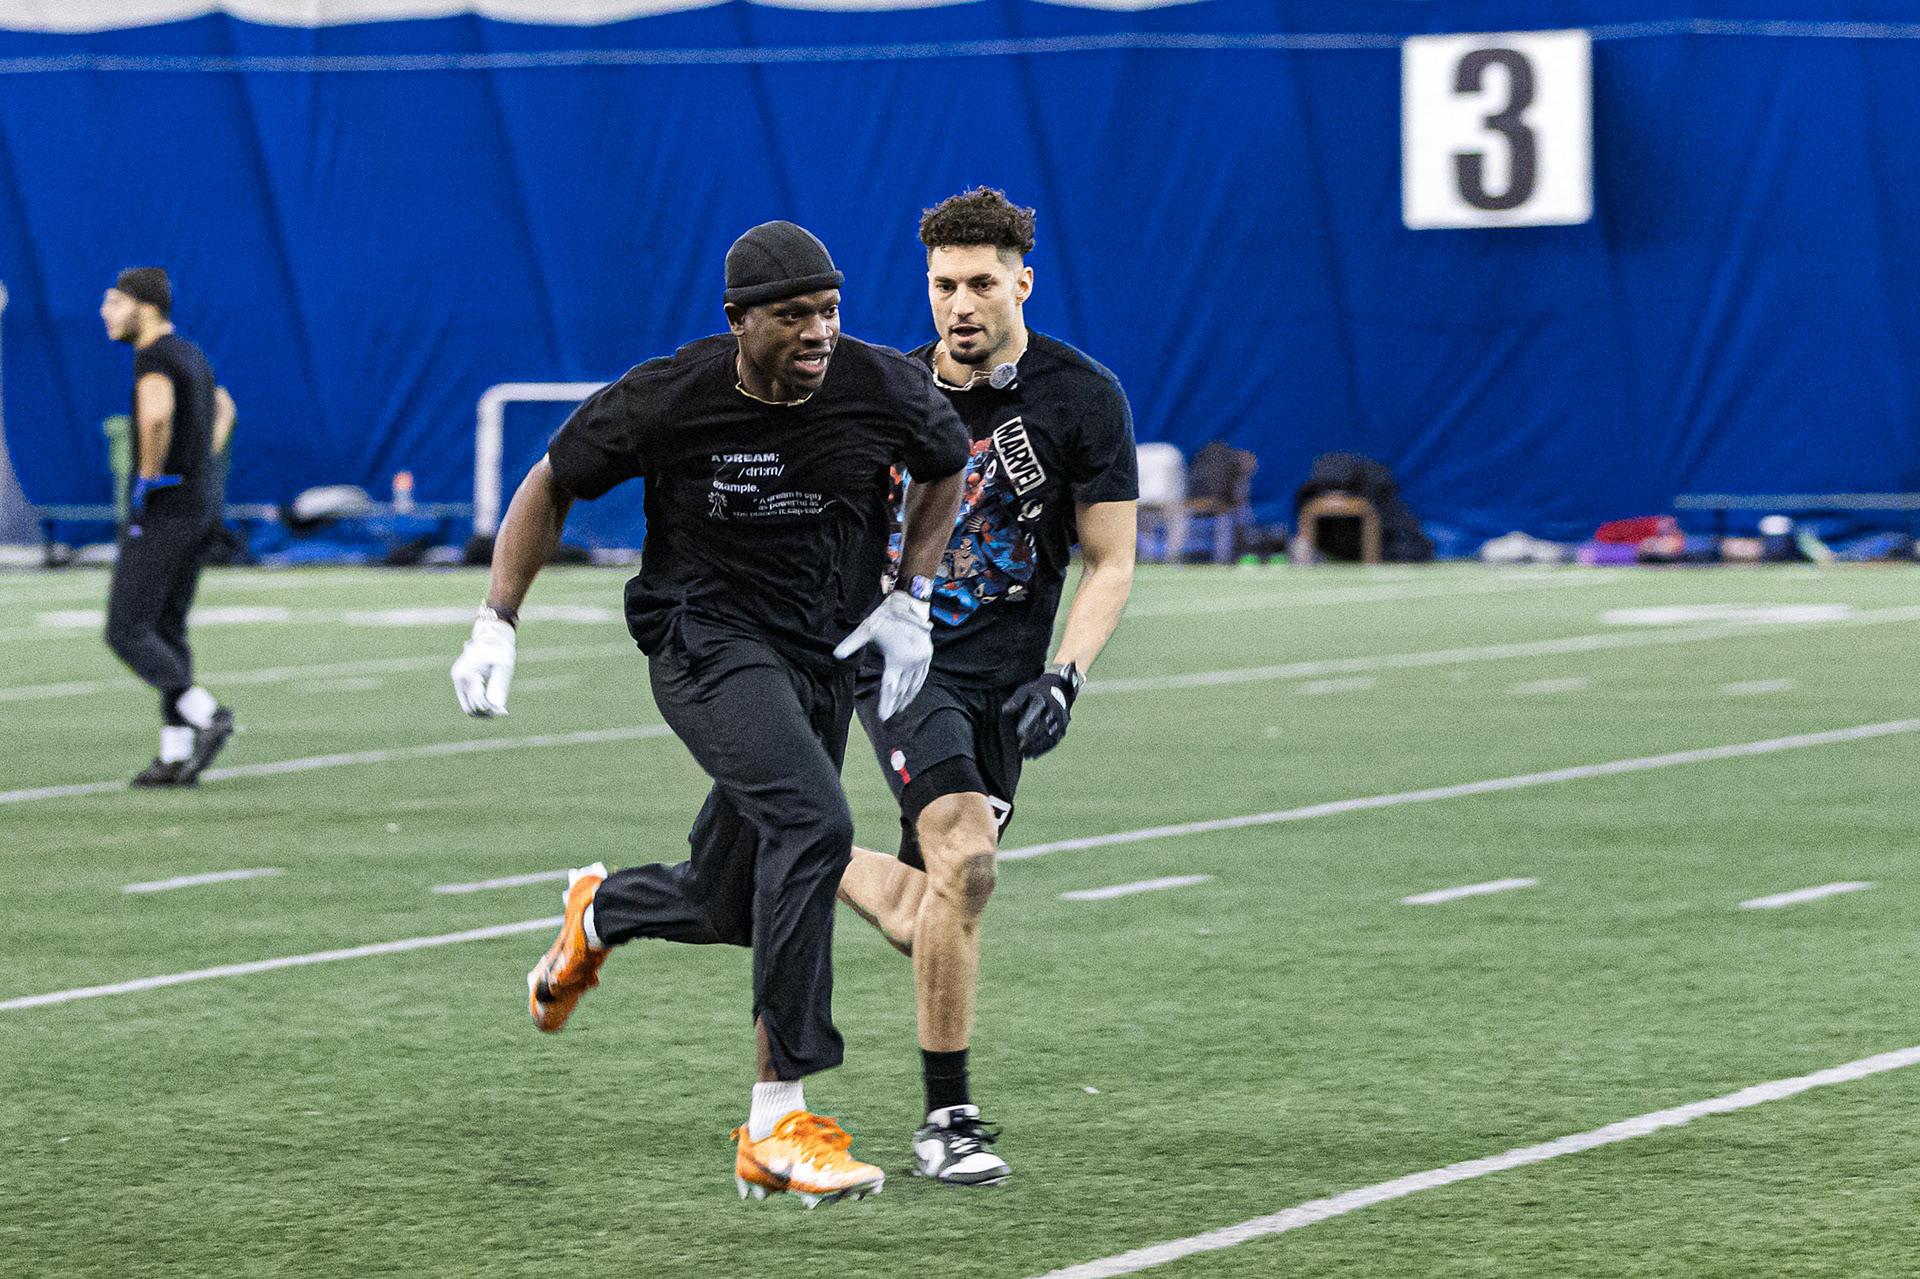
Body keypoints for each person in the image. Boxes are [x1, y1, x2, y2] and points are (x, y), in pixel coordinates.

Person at [449, 222, 968, 1207]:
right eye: (793, 315)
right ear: (739, 321)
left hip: (823, 654)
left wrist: (913, 592)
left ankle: (603, 909)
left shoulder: (879, 384)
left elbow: (947, 461)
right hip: (704, 640)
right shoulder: (671, 395)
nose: (818, 331)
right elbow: (551, 481)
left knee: (730, 902)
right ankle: (778, 1123)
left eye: (829, 311)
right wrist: (497, 621)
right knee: (814, 825)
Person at [836, 189, 1138, 1184]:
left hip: (1006, 683)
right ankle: (948, 1119)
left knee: (931, 906)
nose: (959, 304)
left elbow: (1110, 560)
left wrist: (1066, 675)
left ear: (1023, 282)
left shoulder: (1082, 396)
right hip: (900, 664)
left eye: (979, 283)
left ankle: (797, 843)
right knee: (967, 861)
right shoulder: (886, 390)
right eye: (942, 285)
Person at [98, 268, 237, 787]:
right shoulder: (191, 354)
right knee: (166, 629)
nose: (106, 312)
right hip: (200, 507)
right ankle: (175, 754)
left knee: (126, 629)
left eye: (115, 302)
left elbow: (155, 415)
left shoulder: (154, 356)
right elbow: (225, 408)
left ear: (146, 306)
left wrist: (149, 477)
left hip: (166, 511)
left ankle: (206, 714)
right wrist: (201, 460)